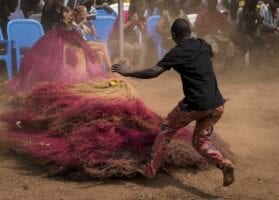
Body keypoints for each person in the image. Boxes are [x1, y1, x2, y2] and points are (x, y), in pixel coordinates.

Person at [111, 18, 235, 187]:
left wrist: (127, 72)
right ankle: (224, 163)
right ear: (190, 32)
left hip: (195, 105)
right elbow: (211, 53)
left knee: (166, 129)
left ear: (174, 35)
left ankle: (149, 169)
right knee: (201, 142)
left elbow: (153, 72)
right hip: (217, 105)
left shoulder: (176, 53)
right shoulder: (202, 44)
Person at [8, 6, 106, 93]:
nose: (68, 16)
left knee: (81, 57)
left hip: (71, 43)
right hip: (61, 44)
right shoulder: (61, 26)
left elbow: (78, 34)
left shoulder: (72, 26)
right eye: (66, 14)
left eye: (69, 14)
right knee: (65, 58)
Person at [194, 0, 235, 68]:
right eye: (210, 2)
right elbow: (196, 28)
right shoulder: (201, 14)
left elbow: (228, 26)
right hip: (204, 37)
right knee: (214, 45)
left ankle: (228, 66)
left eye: (213, 2)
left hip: (217, 36)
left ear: (216, 3)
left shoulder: (220, 15)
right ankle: (213, 65)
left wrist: (226, 32)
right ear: (208, 3)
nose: (212, 4)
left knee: (230, 45)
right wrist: (208, 31)